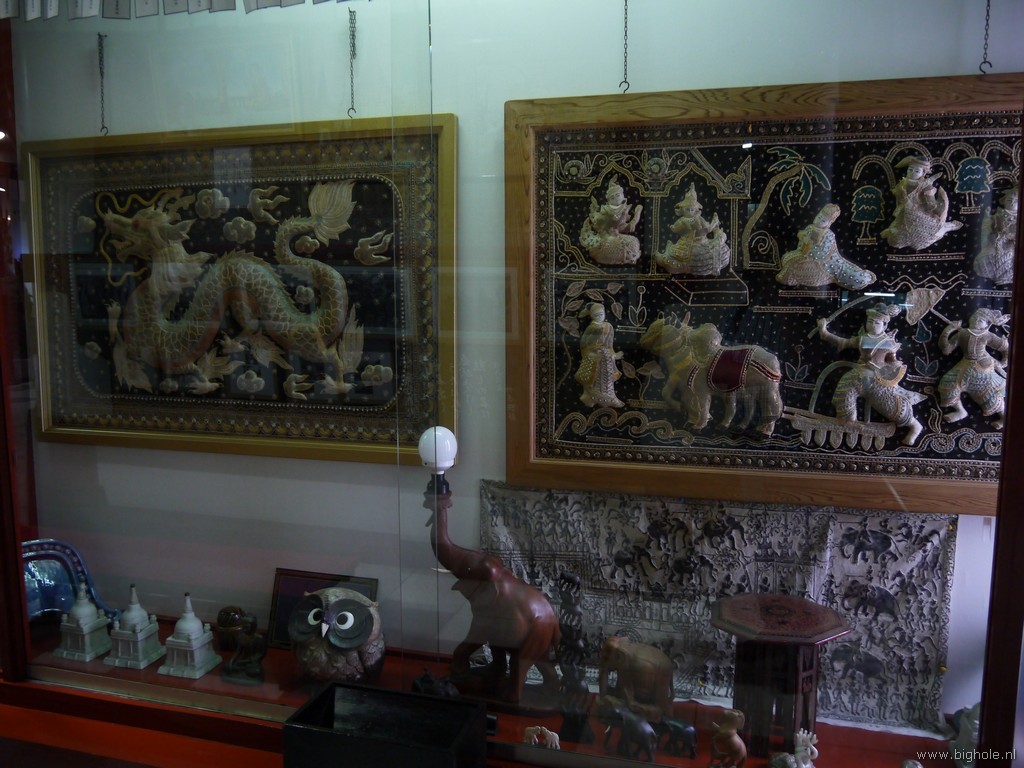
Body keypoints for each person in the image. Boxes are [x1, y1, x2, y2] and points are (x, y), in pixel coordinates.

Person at [816, 302, 925, 445]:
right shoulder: (862, 339)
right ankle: (848, 419)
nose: (873, 325)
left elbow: (893, 363)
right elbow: (843, 342)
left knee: (890, 406)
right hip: (857, 375)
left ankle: (915, 427)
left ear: (884, 325)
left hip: (877, 380)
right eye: (870, 321)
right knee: (844, 387)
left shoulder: (888, 343)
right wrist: (824, 332)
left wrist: (892, 367)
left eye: (877, 322)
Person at [937, 308, 1009, 428]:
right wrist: (949, 330)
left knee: (988, 393)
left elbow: (1005, 347)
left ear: (986, 325)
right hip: (965, 364)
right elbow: (946, 350)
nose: (976, 321)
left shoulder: (987, 335)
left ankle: (1004, 417)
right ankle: (960, 411)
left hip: (983, 366)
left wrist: (1003, 363)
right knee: (947, 382)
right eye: (974, 318)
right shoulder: (962, 333)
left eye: (981, 320)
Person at [776, 203, 874, 290]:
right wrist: (803, 238)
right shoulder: (810, 227)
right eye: (819, 216)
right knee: (786, 258)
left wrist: (808, 244)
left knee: (793, 264)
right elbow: (803, 243)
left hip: (818, 263)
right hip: (803, 254)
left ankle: (788, 278)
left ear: (829, 223)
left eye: (823, 220)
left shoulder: (828, 234)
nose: (819, 220)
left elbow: (821, 253)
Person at [881, 154, 962, 250]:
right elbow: (898, 196)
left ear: (923, 173)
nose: (912, 173)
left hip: (919, 213)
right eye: (910, 169)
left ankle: (944, 227)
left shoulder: (926, 186)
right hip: (903, 213)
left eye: (917, 171)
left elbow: (931, 205)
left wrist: (934, 209)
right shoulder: (902, 184)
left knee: (920, 237)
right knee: (894, 241)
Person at [655, 184, 730, 275]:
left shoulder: (699, 218)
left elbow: (707, 229)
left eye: (692, 209)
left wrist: (713, 224)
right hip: (687, 243)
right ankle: (679, 265)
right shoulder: (682, 220)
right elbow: (675, 229)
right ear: (682, 210)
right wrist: (683, 226)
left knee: (719, 249)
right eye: (687, 209)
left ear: (696, 210)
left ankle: (707, 266)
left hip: (703, 241)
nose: (690, 212)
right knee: (690, 256)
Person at [579, 175, 643, 265]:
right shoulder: (606, 211)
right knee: (614, 246)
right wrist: (612, 221)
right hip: (606, 239)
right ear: (609, 201)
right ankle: (624, 257)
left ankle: (629, 257)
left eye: (617, 195)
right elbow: (602, 226)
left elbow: (624, 227)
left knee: (634, 241)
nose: (616, 199)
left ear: (622, 196)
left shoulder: (623, 210)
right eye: (612, 198)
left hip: (617, 236)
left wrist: (637, 213)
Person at [575, 303, 624, 408]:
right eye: (596, 315)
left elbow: (609, 345)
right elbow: (584, 344)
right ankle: (589, 398)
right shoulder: (591, 328)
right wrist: (589, 354)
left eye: (601, 314)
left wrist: (614, 355)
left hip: (606, 357)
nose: (600, 317)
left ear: (605, 313)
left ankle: (610, 397)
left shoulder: (608, 326)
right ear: (591, 316)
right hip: (593, 356)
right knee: (592, 378)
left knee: (607, 377)